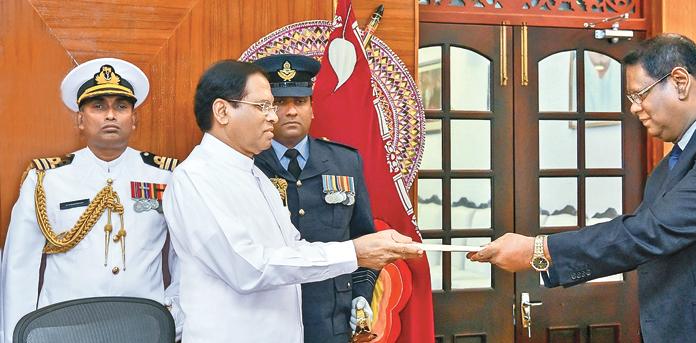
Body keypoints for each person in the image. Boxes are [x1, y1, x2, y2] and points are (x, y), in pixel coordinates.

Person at [469, 34, 696, 342]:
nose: (634, 108)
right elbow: (641, 240)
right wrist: (540, 255)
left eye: (639, 94)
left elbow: (651, 232)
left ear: (680, 82)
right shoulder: (672, 164)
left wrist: (538, 251)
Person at [162, 59, 422, 343]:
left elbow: (292, 248)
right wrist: (352, 253)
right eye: (263, 106)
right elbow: (249, 268)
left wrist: (369, 248)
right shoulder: (197, 177)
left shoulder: (254, 175)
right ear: (223, 111)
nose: (274, 117)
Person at [1, 58, 183, 342]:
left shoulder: (165, 176)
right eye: (98, 106)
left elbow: (185, 253)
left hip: (143, 326)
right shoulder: (46, 179)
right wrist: (16, 333)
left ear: (134, 119)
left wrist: (173, 311)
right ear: (80, 119)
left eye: (121, 107)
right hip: (63, 326)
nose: (111, 115)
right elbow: (19, 264)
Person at [251, 54, 378, 342]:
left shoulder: (345, 162)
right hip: (267, 316)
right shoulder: (250, 163)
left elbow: (363, 239)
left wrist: (361, 297)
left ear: (312, 108)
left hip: (331, 316)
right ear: (267, 110)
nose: (291, 111)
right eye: (281, 103)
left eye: (300, 101)